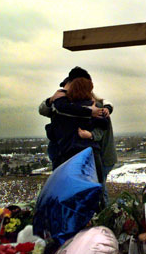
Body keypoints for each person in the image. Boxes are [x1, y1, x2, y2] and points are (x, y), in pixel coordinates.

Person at [39, 67, 118, 201]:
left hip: (96, 157)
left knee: (94, 191)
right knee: (93, 192)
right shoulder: (64, 105)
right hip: (77, 156)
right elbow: (44, 109)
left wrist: (91, 134)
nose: (65, 90)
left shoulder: (96, 105)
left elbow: (102, 128)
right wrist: (51, 100)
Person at [49, 77, 108, 182]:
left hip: (66, 152)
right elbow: (104, 123)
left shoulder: (62, 108)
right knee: (95, 185)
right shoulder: (92, 107)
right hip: (90, 154)